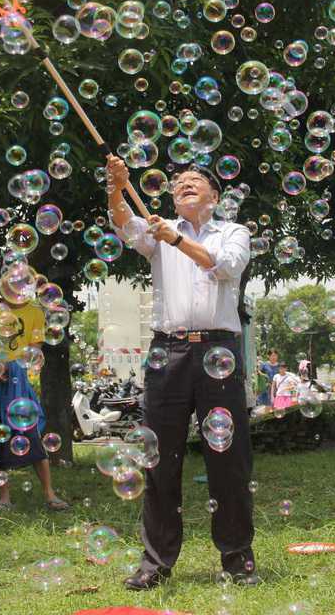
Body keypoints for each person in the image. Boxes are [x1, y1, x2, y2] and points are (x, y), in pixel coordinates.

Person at [106, 156, 257, 590]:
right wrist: (117, 187)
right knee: (158, 460)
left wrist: (174, 238)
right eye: (177, 182)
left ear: (215, 196)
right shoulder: (157, 230)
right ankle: (155, 562)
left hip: (218, 350)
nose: (183, 185)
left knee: (229, 461)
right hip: (167, 353)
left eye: (194, 181)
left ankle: (236, 557)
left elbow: (225, 267)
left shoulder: (233, 232)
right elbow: (122, 222)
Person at [0, 287, 70, 512]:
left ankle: (50, 494)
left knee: (31, 434)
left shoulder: (35, 312)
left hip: (18, 379)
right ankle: (4, 498)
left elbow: (35, 348)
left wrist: (13, 366)